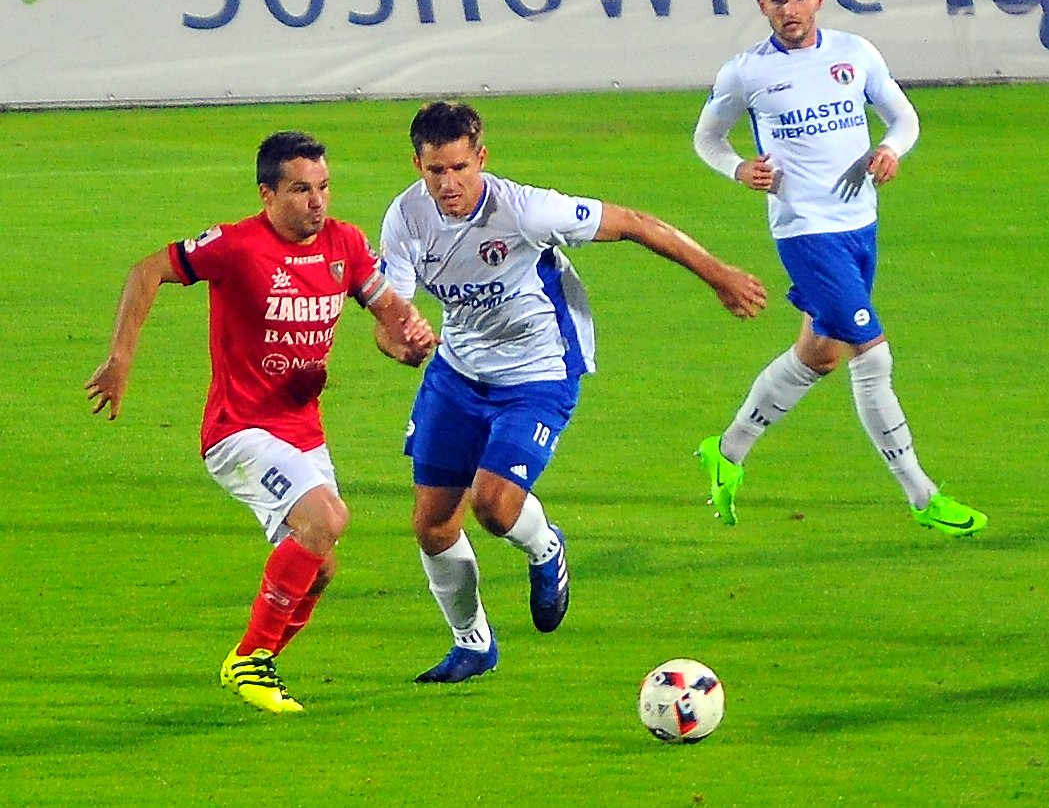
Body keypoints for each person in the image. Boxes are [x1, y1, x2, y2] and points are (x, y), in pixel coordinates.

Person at [376, 100, 768, 684]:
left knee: (493, 507)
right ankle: (472, 644)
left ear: (481, 158)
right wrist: (401, 344)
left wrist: (720, 276)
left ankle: (545, 548)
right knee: (433, 525)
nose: (449, 183)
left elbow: (634, 222)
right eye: (436, 171)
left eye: (460, 168)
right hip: (458, 371)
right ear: (418, 165)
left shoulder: (527, 211)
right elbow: (392, 315)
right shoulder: (406, 218)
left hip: (539, 370)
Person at [86, 131, 438, 714]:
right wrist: (120, 359)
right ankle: (251, 660)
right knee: (327, 518)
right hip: (239, 430)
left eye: (323, 187)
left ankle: (253, 662)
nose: (317, 201)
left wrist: (410, 339)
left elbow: (389, 316)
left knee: (319, 568)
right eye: (301, 189)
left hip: (302, 432)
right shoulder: (235, 245)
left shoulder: (345, 243)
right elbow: (146, 271)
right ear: (267, 194)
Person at [691, 0, 987, 536]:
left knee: (820, 354)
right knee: (872, 356)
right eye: (778, 0)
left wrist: (890, 151)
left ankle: (726, 451)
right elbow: (707, 138)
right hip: (804, 230)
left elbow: (904, 120)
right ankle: (922, 495)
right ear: (762, 6)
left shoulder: (855, 53)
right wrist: (738, 168)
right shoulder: (745, 73)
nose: (790, 9)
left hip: (860, 224)